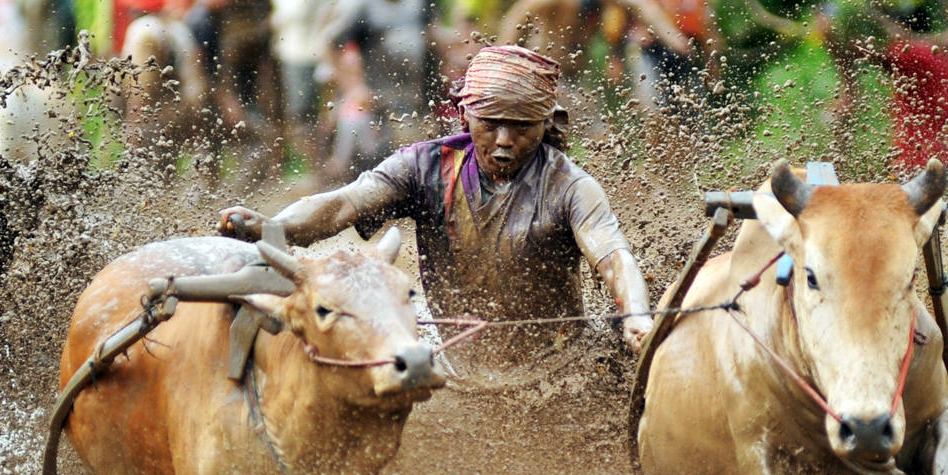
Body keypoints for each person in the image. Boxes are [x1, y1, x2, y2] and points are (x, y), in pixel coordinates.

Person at [218, 45, 653, 368]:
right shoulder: (424, 166)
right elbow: (341, 205)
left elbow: (614, 258)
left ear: (546, 123)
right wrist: (271, 225)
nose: (503, 140)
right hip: (451, 359)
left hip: (557, 363)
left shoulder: (571, 186)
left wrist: (635, 314)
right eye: (490, 124)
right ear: (466, 119)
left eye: (520, 126)